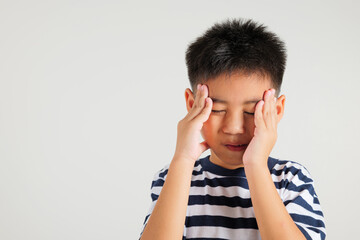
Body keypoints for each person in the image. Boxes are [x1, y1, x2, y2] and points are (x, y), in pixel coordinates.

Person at [139, 18, 326, 240]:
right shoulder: (174, 178)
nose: (234, 128)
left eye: (250, 112)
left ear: (276, 109)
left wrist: (255, 164)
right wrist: (182, 159)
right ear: (192, 105)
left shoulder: (291, 179)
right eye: (217, 109)